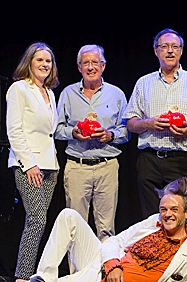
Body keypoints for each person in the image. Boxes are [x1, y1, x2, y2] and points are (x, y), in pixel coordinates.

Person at [0, 177, 187, 282]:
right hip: (100, 264)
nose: (166, 214)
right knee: (69, 215)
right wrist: (113, 264)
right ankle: (43, 280)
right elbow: (113, 242)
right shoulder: (151, 222)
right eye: (163, 208)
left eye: (173, 210)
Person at [123, 28, 187, 219]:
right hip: (149, 160)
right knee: (151, 218)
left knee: (180, 217)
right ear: (156, 51)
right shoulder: (143, 83)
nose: (170, 51)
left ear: (181, 51)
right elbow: (130, 122)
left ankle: (180, 250)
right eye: (164, 47)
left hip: (181, 159)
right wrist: (149, 123)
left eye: (174, 47)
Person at [55, 44, 129, 241]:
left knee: (106, 228)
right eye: (85, 63)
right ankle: (77, 272)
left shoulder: (116, 94)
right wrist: (73, 132)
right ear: (79, 67)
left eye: (94, 62)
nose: (90, 67)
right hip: (77, 166)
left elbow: (126, 130)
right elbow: (56, 128)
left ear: (103, 66)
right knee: (75, 227)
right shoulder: (68, 93)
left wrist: (110, 135)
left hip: (107, 166)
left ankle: (104, 271)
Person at [6, 42, 60, 282]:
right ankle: (22, 278)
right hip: (29, 165)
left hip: (51, 166)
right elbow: (14, 130)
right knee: (36, 219)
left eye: (48, 61)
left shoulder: (50, 93)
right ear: (29, 62)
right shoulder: (19, 89)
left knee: (40, 221)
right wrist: (29, 164)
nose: (44, 65)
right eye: (39, 60)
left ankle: (33, 275)